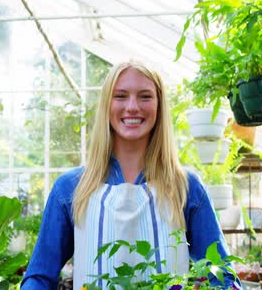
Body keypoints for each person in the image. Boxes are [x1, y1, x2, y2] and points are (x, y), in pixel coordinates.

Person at [21, 60, 239, 289]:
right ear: (106, 105)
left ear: (159, 106)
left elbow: (222, 276)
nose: (133, 106)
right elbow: (40, 276)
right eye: (121, 96)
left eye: (145, 96)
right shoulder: (70, 188)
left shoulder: (185, 187)